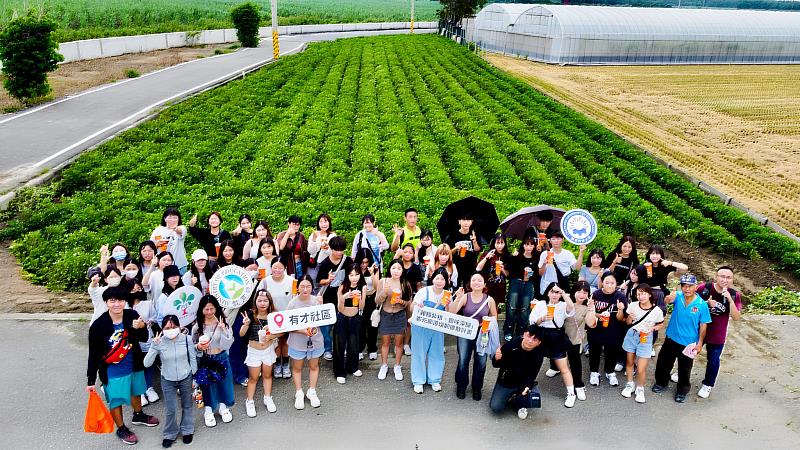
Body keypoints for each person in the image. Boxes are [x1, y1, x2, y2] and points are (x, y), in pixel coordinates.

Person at [87, 286, 159, 445]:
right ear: (106, 302)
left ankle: (138, 414)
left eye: (120, 300)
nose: (117, 304)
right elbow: (93, 354)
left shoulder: (132, 315)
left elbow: (144, 337)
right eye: (112, 301)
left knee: (136, 390)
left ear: (125, 301)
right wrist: (90, 380)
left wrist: (141, 327)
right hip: (112, 369)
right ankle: (121, 428)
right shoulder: (98, 326)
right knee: (116, 399)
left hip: (134, 364)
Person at [652, 274, 712, 403]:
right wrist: (669, 297)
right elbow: (665, 302)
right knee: (663, 363)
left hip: (688, 343)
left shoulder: (701, 304)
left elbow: (703, 325)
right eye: (684, 286)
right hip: (671, 337)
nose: (687, 289)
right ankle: (661, 383)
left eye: (690, 286)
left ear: (696, 287)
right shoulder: (678, 296)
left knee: (684, 369)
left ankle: (682, 391)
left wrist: (700, 343)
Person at [144, 315, 197, 447]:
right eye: (167, 327)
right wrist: (154, 346)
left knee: (187, 405)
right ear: (162, 329)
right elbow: (146, 363)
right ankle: (170, 433)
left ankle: (187, 430)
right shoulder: (159, 342)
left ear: (179, 327)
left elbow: (193, 357)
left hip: (186, 377)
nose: (171, 329)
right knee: (171, 409)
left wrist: (193, 373)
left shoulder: (187, 339)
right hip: (167, 379)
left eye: (174, 327)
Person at [449, 273, 498, 401]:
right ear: (470, 284)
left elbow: (494, 317)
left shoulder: (489, 300)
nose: (476, 282)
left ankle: (477, 388)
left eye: (480, 280)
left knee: (481, 362)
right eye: (474, 280)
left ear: (484, 284)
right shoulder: (465, 297)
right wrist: (458, 298)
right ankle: (461, 386)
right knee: (463, 360)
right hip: (465, 332)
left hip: (483, 333)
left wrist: (486, 324)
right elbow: (452, 312)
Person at [695, 266, 742, 399]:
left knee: (713, 360)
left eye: (728, 277)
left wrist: (730, 300)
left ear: (732, 279)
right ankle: (682, 373)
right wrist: (706, 303)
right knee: (689, 353)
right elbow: (693, 304)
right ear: (716, 276)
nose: (725, 280)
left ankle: (708, 384)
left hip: (718, 334)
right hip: (699, 329)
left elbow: (737, 317)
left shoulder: (734, 295)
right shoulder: (705, 288)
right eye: (722, 276)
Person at [529, 282, 578, 408]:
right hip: (541, 334)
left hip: (556, 336)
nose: (554, 294)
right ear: (547, 292)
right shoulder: (541, 304)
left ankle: (571, 393)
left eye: (557, 292)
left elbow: (571, 308)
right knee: (533, 364)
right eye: (552, 291)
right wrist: (543, 318)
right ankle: (525, 389)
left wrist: (563, 293)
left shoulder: (563, 305)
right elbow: (533, 320)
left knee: (563, 367)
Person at [192, 295, 235, 427]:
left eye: (212, 309)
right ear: (201, 310)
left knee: (224, 383)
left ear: (216, 308)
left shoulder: (223, 322)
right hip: (206, 359)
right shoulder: (197, 327)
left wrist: (223, 330)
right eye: (206, 309)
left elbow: (227, 344)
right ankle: (208, 410)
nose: (209, 312)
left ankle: (223, 407)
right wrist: (199, 347)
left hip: (221, 357)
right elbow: (192, 346)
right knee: (207, 385)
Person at [239, 290, 282, 417]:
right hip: (254, 351)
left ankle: (267, 397)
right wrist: (245, 324)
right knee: (253, 378)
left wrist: (271, 336)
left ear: (270, 302)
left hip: (268, 350)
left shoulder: (273, 315)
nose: (262, 303)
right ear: (255, 301)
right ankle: (250, 401)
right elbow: (241, 334)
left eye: (265, 300)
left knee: (268, 376)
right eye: (259, 300)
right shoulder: (250, 315)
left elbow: (282, 332)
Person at [489, 324, 546, 420]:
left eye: (535, 339)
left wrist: (527, 386)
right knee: (496, 407)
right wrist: (496, 358)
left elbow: (533, 373)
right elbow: (496, 365)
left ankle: (519, 401)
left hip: (523, 382)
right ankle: (512, 397)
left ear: (539, 343)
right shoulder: (511, 345)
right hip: (507, 381)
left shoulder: (539, 353)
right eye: (529, 336)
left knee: (532, 396)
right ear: (524, 334)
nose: (530, 341)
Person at [620, 283, 664, 404]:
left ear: (650, 294)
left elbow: (661, 323)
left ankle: (640, 388)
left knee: (641, 368)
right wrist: (629, 317)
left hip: (646, 338)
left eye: (643, 293)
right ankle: (630, 384)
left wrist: (652, 329)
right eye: (638, 294)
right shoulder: (633, 305)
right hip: (632, 335)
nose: (641, 296)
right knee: (629, 363)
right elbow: (627, 322)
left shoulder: (656, 310)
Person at [410, 267, 452, 394]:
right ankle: (418, 381)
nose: (439, 281)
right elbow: (412, 308)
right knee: (419, 353)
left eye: (442, 279)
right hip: (420, 328)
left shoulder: (447, 294)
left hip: (437, 328)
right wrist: (418, 306)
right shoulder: (424, 291)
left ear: (446, 281)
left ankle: (435, 380)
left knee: (437, 353)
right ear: (432, 278)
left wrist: (448, 304)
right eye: (437, 278)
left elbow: (449, 314)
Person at [286, 275, 323, 410]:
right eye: (302, 286)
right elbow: (288, 325)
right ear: (297, 287)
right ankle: (299, 392)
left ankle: (312, 391)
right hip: (297, 341)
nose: (305, 289)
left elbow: (323, 320)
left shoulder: (316, 301)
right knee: (297, 368)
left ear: (312, 287)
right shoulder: (292, 303)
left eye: (308, 286)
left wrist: (321, 304)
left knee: (314, 366)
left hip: (315, 340)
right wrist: (303, 331)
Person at [586, 272, 627, 387]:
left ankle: (610, 372)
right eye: (607, 282)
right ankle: (594, 372)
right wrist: (596, 313)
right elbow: (591, 312)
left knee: (612, 352)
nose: (609, 285)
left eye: (612, 283)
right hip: (596, 329)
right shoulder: (596, 294)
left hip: (613, 330)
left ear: (616, 284)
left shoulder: (620, 297)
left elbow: (621, 318)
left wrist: (620, 310)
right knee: (594, 351)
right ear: (602, 283)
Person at [554, 280, 593, 402]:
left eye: (585, 292)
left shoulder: (586, 308)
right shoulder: (564, 303)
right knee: (557, 356)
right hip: (560, 336)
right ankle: (554, 368)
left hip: (575, 338)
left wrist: (592, 309)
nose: (582, 295)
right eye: (579, 291)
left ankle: (579, 385)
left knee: (575, 361)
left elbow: (591, 323)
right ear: (573, 292)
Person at [375, 259, 413, 381]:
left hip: (399, 315)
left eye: (399, 268)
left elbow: (409, 303)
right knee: (385, 342)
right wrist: (384, 293)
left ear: (402, 270)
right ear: (389, 269)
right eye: (393, 268)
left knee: (399, 343)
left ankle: (397, 365)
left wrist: (401, 301)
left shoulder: (405, 284)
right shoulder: (383, 281)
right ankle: (384, 365)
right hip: (385, 314)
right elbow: (376, 301)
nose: (396, 271)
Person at [316, 236, 353, 360]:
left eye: (341, 250)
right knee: (326, 326)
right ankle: (327, 349)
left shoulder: (347, 261)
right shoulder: (325, 263)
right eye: (336, 250)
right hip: (328, 298)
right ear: (331, 249)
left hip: (343, 298)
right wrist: (327, 280)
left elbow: (352, 276)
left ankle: (342, 348)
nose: (339, 252)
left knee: (343, 324)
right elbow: (318, 281)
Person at [334, 264, 367, 384]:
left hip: (355, 317)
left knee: (354, 344)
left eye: (357, 274)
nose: (354, 278)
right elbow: (339, 308)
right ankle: (339, 371)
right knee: (340, 345)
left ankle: (353, 367)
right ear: (347, 275)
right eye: (351, 275)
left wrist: (360, 298)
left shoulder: (362, 286)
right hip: (342, 317)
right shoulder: (343, 286)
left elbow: (362, 307)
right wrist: (343, 297)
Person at [261, 258, 294, 379]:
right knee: (275, 342)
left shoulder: (291, 281)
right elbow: (259, 298)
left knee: (285, 342)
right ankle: (277, 365)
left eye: (280, 268)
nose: (277, 270)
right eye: (275, 267)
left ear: (285, 268)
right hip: (271, 317)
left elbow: (295, 299)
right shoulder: (265, 282)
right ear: (271, 267)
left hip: (286, 317)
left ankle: (285, 364)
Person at [504, 237, 538, 340]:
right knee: (511, 307)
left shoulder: (536, 258)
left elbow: (537, 275)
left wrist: (529, 277)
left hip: (528, 284)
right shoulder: (517, 256)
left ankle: (521, 331)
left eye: (531, 245)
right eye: (527, 244)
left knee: (525, 308)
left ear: (534, 246)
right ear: (523, 245)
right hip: (516, 282)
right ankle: (508, 331)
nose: (529, 247)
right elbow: (509, 271)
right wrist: (512, 256)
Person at [475, 233, 510, 319]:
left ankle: (493, 328)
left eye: (502, 243)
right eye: (497, 243)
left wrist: (502, 270)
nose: (500, 245)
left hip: (499, 286)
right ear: (494, 243)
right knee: (484, 307)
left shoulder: (507, 256)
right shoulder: (489, 253)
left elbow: (508, 275)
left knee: (495, 308)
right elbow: (478, 268)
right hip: (487, 286)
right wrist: (486, 257)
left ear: (505, 243)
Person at [538, 231, 584, 296]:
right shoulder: (545, 254)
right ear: (550, 241)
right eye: (553, 239)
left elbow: (577, 268)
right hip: (547, 285)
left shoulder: (568, 254)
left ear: (563, 240)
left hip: (563, 285)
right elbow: (540, 273)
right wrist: (544, 264)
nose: (556, 241)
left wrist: (581, 252)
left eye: (558, 239)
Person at [356, 249, 381, 361]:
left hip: (371, 299)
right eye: (362, 262)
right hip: (359, 299)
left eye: (366, 262)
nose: (364, 265)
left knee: (372, 325)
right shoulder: (354, 269)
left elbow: (377, 287)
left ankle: (372, 348)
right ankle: (359, 348)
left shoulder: (374, 269)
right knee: (359, 325)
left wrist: (372, 273)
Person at [445, 213, 482, 289]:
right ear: (459, 222)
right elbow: (446, 252)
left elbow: (478, 250)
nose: (466, 222)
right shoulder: (452, 235)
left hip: (470, 266)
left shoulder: (474, 234)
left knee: (469, 288)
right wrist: (456, 248)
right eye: (463, 220)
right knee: (455, 287)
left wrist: (474, 241)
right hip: (456, 266)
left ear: (471, 222)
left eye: (468, 220)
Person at [150, 207, 188, 273]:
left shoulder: (182, 228)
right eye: (170, 217)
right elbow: (150, 246)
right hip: (162, 266)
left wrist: (175, 228)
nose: (172, 220)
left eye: (175, 217)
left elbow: (180, 232)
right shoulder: (158, 230)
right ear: (165, 219)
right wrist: (156, 245)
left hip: (179, 266)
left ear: (178, 219)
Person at [307, 213, 337, 284]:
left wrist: (326, 248)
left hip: (325, 264)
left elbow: (333, 252)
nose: (324, 224)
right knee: (312, 283)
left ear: (329, 223)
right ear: (318, 223)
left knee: (323, 284)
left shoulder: (332, 236)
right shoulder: (314, 234)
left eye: (325, 221)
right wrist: (314, 239)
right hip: (314, 263)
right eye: (321, 222)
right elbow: (310, 251)